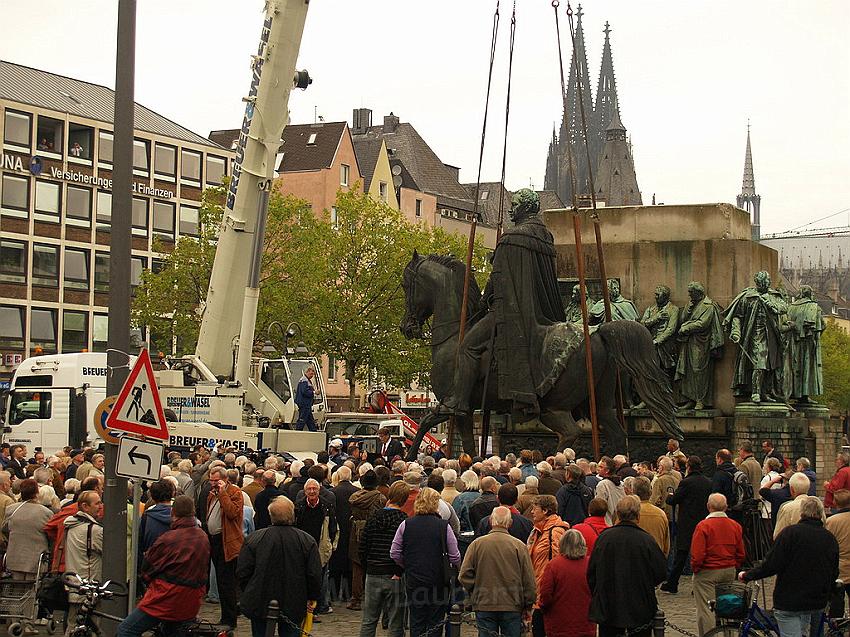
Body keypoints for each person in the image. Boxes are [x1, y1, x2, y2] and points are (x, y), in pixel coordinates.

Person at [437, 189, 566, 419]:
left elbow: (497, 280)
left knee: (467, 346)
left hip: (509, 312)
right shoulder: (545, 236)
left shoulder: (511, 238)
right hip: (541, 312)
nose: (510, 209)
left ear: (525, 208)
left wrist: (483, 301)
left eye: (515, 204)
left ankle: (459, 401)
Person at [740, 497, 839, 637]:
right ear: (821, 513)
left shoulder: (789, 534)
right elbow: (833, 570)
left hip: (790, 600)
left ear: (802, 513)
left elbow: (771, 564)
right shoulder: (829, 538)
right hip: (816, 600)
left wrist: (748, 575)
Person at [117, 496, 210, 637]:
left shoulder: (169, 539)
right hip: (192, 597)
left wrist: (148, 580)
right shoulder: (202, 536)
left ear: (173, 513)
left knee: (126, 630)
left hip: (166, 597)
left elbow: (148, 566)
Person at [238, 496, 322, 637]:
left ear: (270, 516)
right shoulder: (306, 540)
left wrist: (249, 590)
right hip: (293, 600)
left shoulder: (254, 539)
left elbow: (243, 572)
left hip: (261, 598)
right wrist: (311, 596)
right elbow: (314, 574)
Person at [588, 496, 667, 637]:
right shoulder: (646, 540)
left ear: (617, 514)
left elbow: (592, 572)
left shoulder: (604, 538)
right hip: (639, 605)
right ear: (637, 516)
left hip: (609, 604)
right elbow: (660, 571)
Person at [390, 488, 461, 637]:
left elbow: (394, 552)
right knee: (435, 621)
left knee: (416, 620)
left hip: (414, 578)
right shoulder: (443, 526)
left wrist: (406, 564)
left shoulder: (406, 524)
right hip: (438, 579)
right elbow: (455, 556)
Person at [459, 506, 537, 637]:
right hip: (512, 604)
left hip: (485, 603)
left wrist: (476, 588)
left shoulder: (477, 545)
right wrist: (528, 603)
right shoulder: (519, 546)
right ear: (510, 523)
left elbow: (464, 575)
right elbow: (528, 579)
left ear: (490, 521)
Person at [723, 271, 788, 403]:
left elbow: (784, 307)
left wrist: (771, 304)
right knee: (759, 364)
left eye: (766, 283)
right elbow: (737, 316)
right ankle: (755, 392)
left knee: (771, 365)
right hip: (755, 334)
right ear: (757, 283)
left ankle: (765, 392)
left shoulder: (774, 296)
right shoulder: (748, 297)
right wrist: (736, 332)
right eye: (761, 283)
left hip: (772, 334)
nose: (764, 285)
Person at [690, 494, 745, 636]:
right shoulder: (735, 526)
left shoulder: (703, 526)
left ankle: (709, 634)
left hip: (708, 570)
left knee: (706, 608)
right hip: (728, 569)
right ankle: (729, 633)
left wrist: (696, 569)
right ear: (726, 507)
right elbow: (741, 552)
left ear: (709, 507)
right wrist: (734, 565)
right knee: (727, 605)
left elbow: (697, 554)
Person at [359, 481, 409, 637]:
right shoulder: (404, 520)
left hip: (373, 571)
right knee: (396, 621)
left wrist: (367, 567)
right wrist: (400, 570)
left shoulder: (374, 517)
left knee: (369, 619)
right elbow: (404, 550)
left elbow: (363, 546)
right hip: (394, 573)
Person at [662, 455, 712, 594]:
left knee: (681, 554)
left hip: (687, 523)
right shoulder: (708, 482)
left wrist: (669, 497)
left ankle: (672, 583)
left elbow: (674, 499)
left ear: (689, 467)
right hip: (703, 521)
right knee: (703, 554)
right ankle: (701, 584)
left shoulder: (686, 482)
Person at [204, 466, 244, 627]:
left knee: (227, 581)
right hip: (214, 540)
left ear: (224, 479)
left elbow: (232, 512)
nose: (212, 483)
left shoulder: (234, 492)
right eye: (211, 480)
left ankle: (230, 618)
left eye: (216, 481)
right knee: (220, 581)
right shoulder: (211, 493)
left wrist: (222, 493)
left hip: (227, 541)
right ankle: (226, 614)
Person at [539, 529, 595, 637]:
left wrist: (543, 607)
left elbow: (546, 593)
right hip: (585, 623)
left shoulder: (554, 565)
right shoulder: (590, 564)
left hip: (558, 624)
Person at [527, 495, 570, 637]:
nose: (532, 512)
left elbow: (559, 562)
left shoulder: (555, 531)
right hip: (539, 589)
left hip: (548, 592)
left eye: (535, 509)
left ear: (545, 511)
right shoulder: (539, 530)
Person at [295, 478, 338, 617]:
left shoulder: (326, 505)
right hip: (303, 546)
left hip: (321, 546)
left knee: (322, 577)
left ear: (319, 491)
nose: (312, 491)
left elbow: (333, 526)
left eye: (315, 489)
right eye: (309, 489)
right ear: (305, 491)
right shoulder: (299, 506)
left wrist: (331, 544)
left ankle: (320, 605)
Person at [347, 469, 386, 611]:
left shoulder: (354, 497)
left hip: (356, 532)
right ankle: (374, 600)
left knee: (357, 567)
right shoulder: (380, 498)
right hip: (374, 532)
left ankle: (355, 599)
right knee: (374, 567)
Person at [64, 491, 104, 623]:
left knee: (73, 623)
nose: (101, 506)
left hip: (74, 583)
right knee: (90, 623)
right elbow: (109, 553)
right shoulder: (93, 530)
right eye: (97, 503)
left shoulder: (71, 525)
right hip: (89, 584)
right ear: (85, 506)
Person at [2, 478, 51, 579]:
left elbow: (5, 529)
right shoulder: (46, 513)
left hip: (14, 557)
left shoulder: (11, 509)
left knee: (14, 590)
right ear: (37, 493)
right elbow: (50, 535)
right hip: (36, 560)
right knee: (32, 591)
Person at [786, 285, 825, 402]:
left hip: (792, 342)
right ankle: (804, 395)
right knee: (806, 367)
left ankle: (793, 393)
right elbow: (822, 325)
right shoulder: (813, 307)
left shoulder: (791, 307)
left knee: (794, 368)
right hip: (808, 343)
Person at [640, 284, 680, 384]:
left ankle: (666, 397)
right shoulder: (650, 309)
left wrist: (657, 341)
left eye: (658, 295)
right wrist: (656, 317)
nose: (655, 297)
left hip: (666, 347)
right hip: (650, 346)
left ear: (665, 296)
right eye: (655, 294)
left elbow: (671, 329)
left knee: (666, 373)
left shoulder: (673, 309)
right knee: (651, 372)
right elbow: (642, 324)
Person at [773, 472, 823, 539]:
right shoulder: (818, 505)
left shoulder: (788, 508)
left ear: (792, 489)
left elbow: (777, 535)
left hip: (794, 546)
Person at [826, 489, 850, 618]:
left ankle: (837, 624)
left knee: (837, 599)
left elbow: (827, 543)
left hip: (838, 567)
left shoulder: (832, 521)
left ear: (835, 502)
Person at [634, 477, 670, 556]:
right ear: (650, 492)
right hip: (656, 559)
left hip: (635, 559)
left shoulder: (629, 512)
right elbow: (666, 545)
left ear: (634, 491)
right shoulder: (660, 514)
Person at [594, 457, 625, 526]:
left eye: (601, 467)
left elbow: (599, 506)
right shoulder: (622, 484)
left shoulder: (603, 485)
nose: (598, 468)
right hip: (621, 522)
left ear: (607, 470)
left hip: (608, 523)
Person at [295, 366, 317, 431]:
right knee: (302, 419)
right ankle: (298, 433)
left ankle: (314, 432)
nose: (312, 376)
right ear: (307, 371)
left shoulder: (305, 380)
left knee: (310, 420)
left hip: (306, 404)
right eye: (311, 374)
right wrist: (314, 392)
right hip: (305, 404)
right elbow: (305, 392)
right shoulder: (304, 380)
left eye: (313, 374)